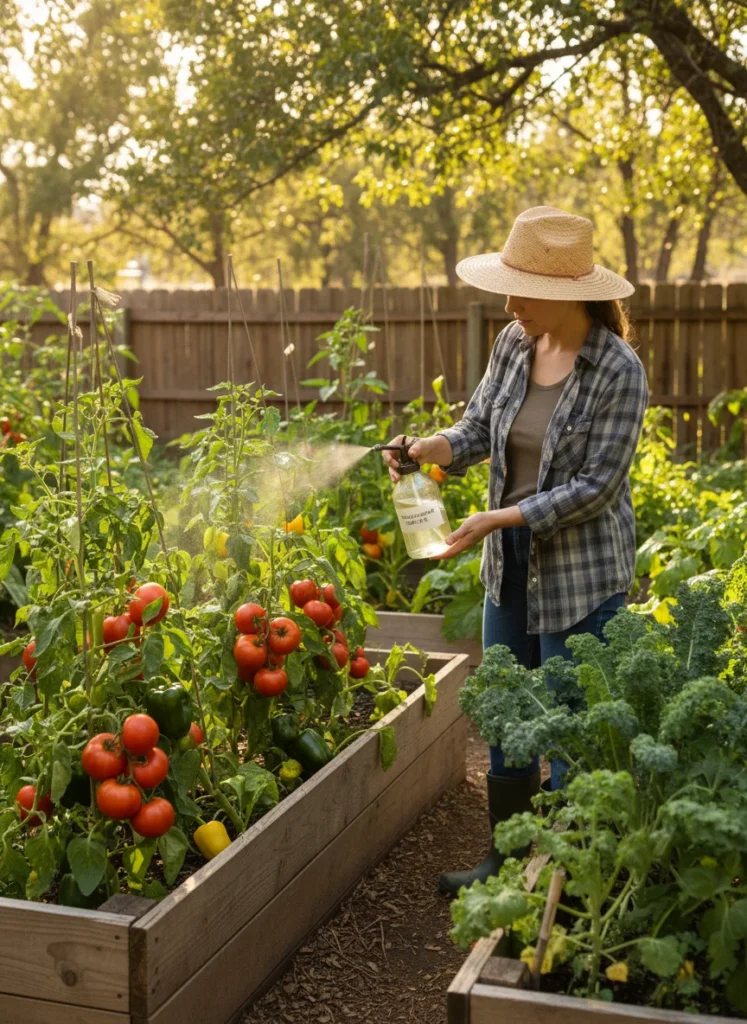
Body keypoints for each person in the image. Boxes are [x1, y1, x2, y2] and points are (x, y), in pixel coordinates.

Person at [381, 206, 649, 896]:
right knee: (505, 709)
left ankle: (563, 880)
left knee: (565, 722)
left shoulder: (616, 370)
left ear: (564, 295)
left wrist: (500, 516)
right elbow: (475, 428)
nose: (507, 304)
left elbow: (596, 487)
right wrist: (423, 450)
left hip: (579, 574)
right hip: (509, 564)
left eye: (520, 290)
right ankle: (505, 860)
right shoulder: (512, 344)